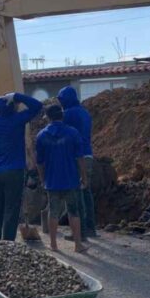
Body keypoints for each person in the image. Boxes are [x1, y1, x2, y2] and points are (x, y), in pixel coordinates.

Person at [0, 92, 42, 241]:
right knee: (11, 209)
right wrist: (17, 96)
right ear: (13, 108)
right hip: (14, 171)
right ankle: (8, 243)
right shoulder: (17, 120)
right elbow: (37, 106)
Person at [36, 105, 88, 253]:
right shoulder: (73, 133)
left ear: (48, 117)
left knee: (53, 212)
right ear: (62, 116)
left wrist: (43, 179)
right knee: (73, 211)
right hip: (71, 179)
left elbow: (39, 162)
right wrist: (84, 177)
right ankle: (78, 245)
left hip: (52, 181)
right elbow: (80, 158)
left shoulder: (41, 135)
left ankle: (53, 245)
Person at [57, 86, 97, 239]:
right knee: (86, 193)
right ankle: (90, 228)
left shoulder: (67, 114)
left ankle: (79, 232)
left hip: (75, 158)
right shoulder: (84, 113)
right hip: (88, 155)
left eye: (61, 100)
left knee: (76, 194)